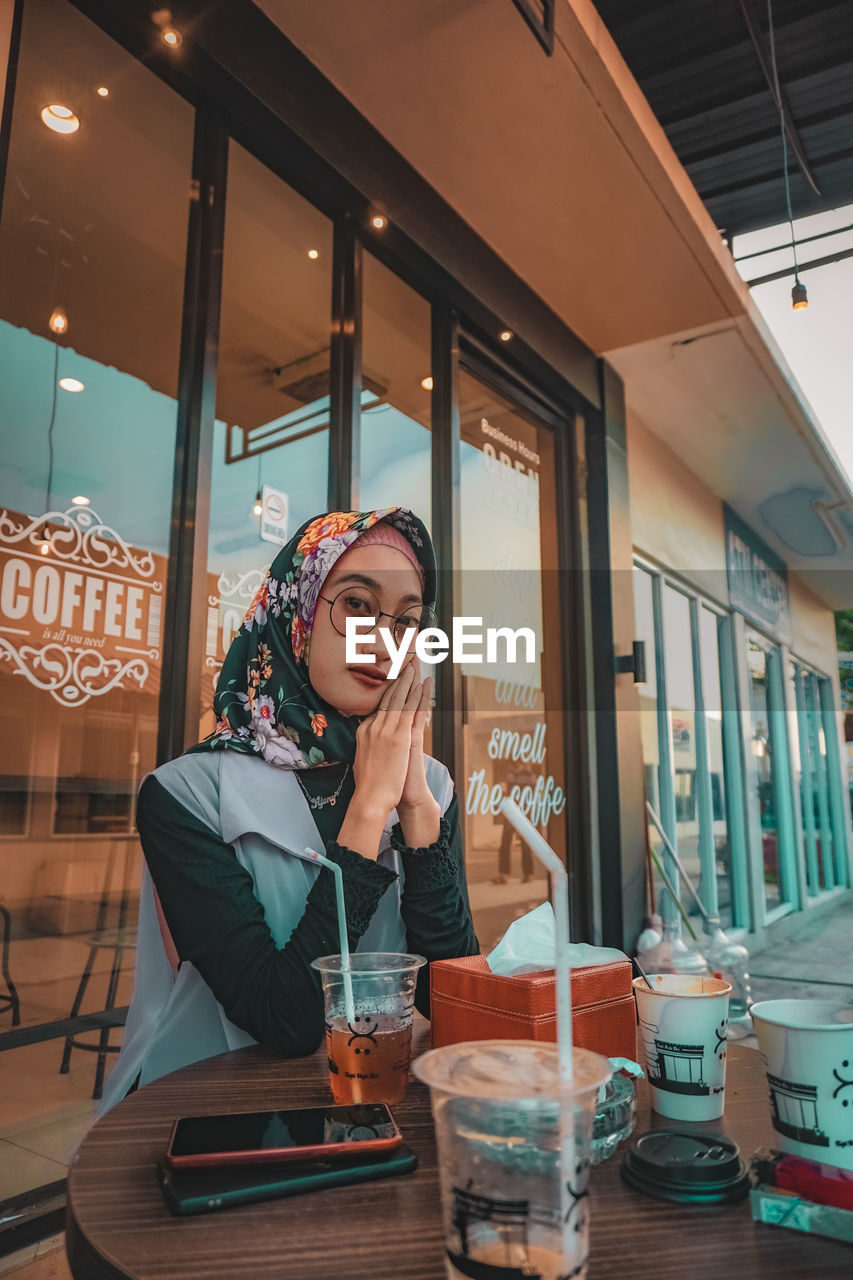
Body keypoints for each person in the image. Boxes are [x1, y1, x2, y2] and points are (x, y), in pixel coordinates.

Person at [98, 506, 479, 1115]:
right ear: (296, 611)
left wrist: (413, 810)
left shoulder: (429, 787)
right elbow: (286, 1020)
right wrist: (366, 810)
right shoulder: (185, 794)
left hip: (370, 1113)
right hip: (202, 1121)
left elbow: (455, 1002)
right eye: (356, 603)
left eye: (407, 620)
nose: (381, 638)